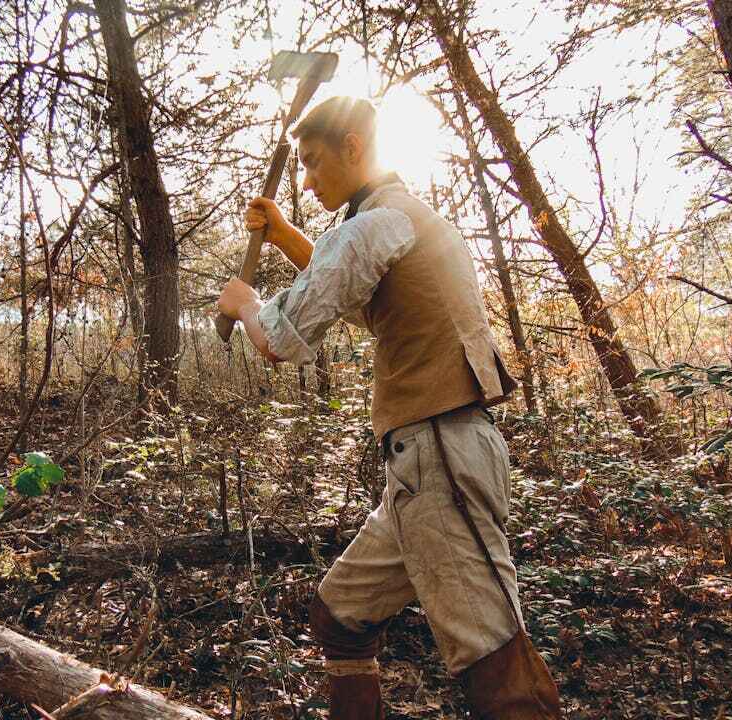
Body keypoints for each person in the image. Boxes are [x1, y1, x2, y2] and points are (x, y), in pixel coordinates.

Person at [215, 96, 562, 719]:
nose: (308, 179)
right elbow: (348, 284)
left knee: (496, 666)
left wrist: (244, 304)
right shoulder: (400, 219)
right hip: (426, 464)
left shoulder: (373, 226)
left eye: (316, 162)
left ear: (353, 147)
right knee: (341, 614)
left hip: (440, 459)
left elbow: (284, 339)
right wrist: (285, 236)